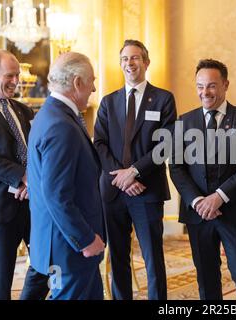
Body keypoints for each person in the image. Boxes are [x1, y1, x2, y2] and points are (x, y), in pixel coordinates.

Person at [169, 59, 236, 300]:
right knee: (207, 279)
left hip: (235, 211)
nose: (205, 92)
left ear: (225, 85)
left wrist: (218, 198)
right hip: (198, 214)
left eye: (211, 86)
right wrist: (198, 201)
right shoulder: (184, 121)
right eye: (200, 86)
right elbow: (176, 167)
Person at [94, 40, 177, 300]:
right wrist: (123, 177)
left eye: (135, 58)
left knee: (153, 257)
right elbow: (99, 143)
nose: (129, 63)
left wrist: (135, 172)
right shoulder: (108, 101)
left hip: (147, 190)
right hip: (114, 192)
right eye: (124, 59)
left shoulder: (163, 99)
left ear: (146, 62)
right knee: (118, 255)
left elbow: (167, 143)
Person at [27, 52, 105, 300]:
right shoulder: (61, 125)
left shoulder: (49, 114)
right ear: (77, 82)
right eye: (92, 80)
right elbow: (56, 195)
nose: (93, 87)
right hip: (68, 248)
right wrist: (84, 239)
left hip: (63, 245)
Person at [0, 50, 48, 300]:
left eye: (18, 75)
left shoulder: (23, 110)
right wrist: (22, 176)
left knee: (47, 264)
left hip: (33, 204)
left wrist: (32, 179)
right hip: (0, 209)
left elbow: (36, 152)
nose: (16, 81)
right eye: (10, 75)